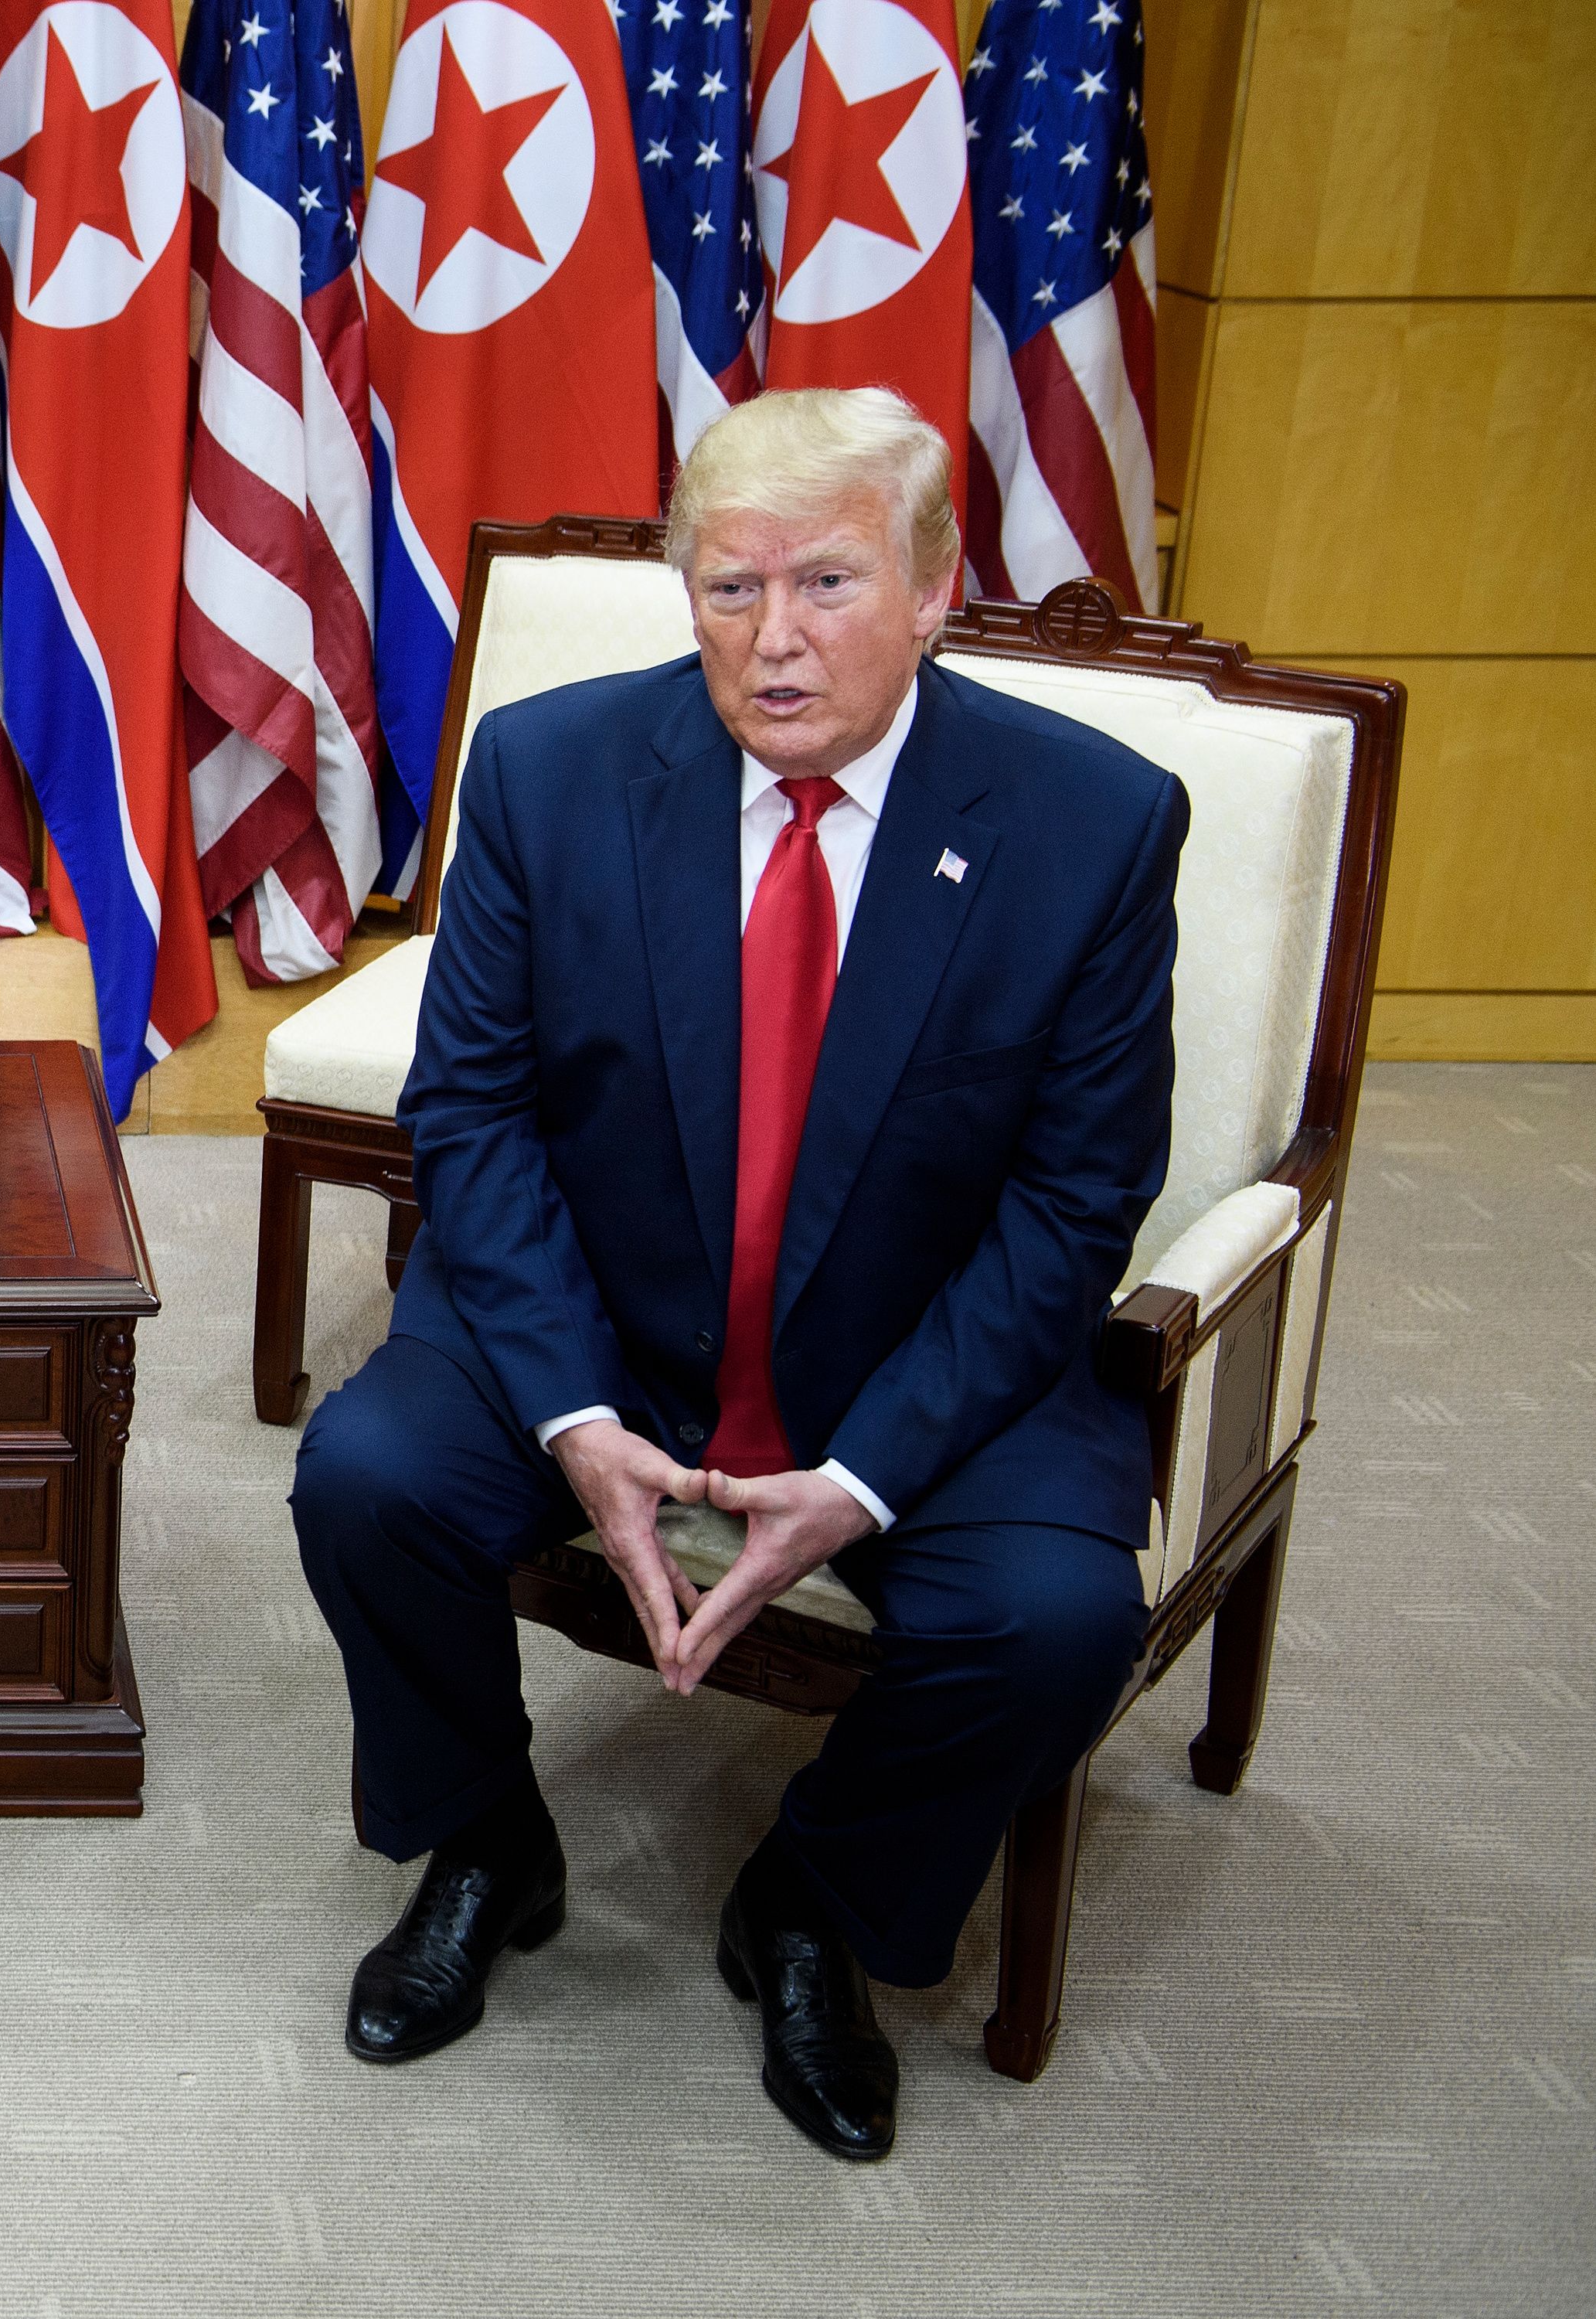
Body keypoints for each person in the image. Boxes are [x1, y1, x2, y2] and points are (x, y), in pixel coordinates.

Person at [288, 387, 1183, 2161]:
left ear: (937, 587)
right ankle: (487, 1836)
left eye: (830, 585)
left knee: (1059, 1622)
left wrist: (860, 1480)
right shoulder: (550, 774)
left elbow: (1079, 1204)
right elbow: (471, 1111)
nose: (773, 643)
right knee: (366, 1479)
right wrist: (570, 1410)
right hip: (607, 1314)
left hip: (915, 1344)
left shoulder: (1086, 824)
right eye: (727, 587)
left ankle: (815, 1900)